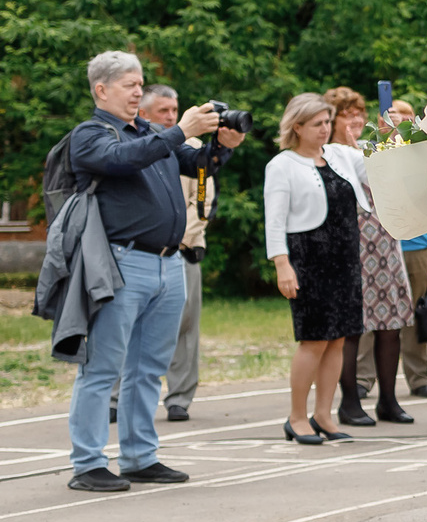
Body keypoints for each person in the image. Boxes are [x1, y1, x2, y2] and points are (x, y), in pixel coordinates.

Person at [60, 52, 229, 490]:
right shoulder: (91, 134)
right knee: (102, 367)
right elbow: (123, 160)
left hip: (168, 262)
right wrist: (180, 132)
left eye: (140, 84)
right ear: (101, 89)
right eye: (129, 85)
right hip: (121, 262)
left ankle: (139, 456)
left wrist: (221, 148)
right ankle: (88, 463)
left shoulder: (153, 134)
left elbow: (196, 167)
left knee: (148, 368)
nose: (139, 91)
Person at [136, 84, 245, 423]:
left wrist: (183, 239)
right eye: (163, 111)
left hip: (186, 250)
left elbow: (203, 198)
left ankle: (179, 397)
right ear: (144, 114)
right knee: (133, 328)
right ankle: (116, 396)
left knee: (185, 329)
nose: (171, 116)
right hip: (145, 251)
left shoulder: (194, 148)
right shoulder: (138, 146)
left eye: (174, 109)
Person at [265, 92, 367, 446]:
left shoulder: (340, 154)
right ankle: (296, 416)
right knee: (313, 339)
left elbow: (378, 164)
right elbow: (274, 220)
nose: (325, 129)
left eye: (327, 122)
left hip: (345, 255)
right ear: (297, 127)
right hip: (308, 256)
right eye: (318, 124)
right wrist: (282, 264)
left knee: (339, 337)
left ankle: (324, 413)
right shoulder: (282, 164)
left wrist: (388, 138)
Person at [324, 89, 415, 427]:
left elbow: (399, 175)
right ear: (332, 120)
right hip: (351, 245)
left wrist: (389, 138)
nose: (356, 120)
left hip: (385, 241)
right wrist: (377, 146)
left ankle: (388, 400)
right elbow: (363, 176)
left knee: (390, 324)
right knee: (352, 328)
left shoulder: (368, 147)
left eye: (359, 114)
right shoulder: (330, 153)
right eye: (348, 115)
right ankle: (349, 402)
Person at [363, 97, 427, 404]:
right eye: (393, 116)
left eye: (406, 116)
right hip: (380, 249)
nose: (399, 121)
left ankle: (420, 377)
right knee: (373, 317)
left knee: (415, 316)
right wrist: (384, 133)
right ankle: (363, 377)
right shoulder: (374, 150)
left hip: (416, 247)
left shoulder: (423, 153)